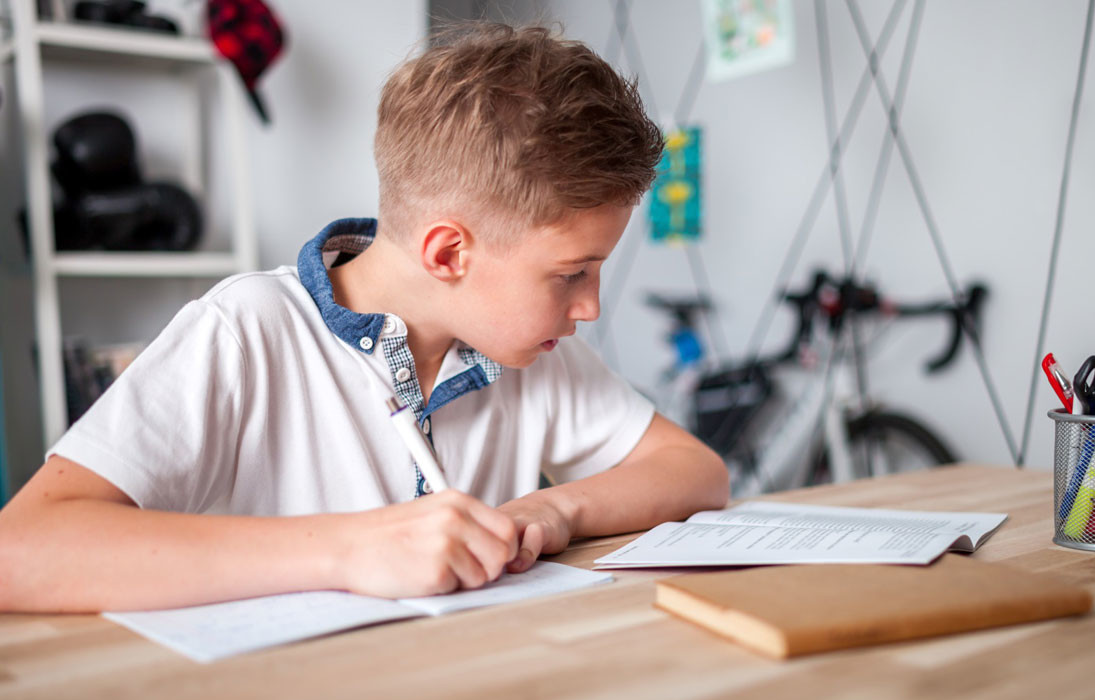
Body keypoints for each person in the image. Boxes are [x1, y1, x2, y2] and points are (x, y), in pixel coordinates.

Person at [0, 23, 729, 612]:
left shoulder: (530, 351)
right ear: (448, 253)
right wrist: (350, 549)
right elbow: (20, 550)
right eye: (572, 273)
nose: (591, 307)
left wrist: (558, 509)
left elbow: (696, 472)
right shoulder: (247, 330)